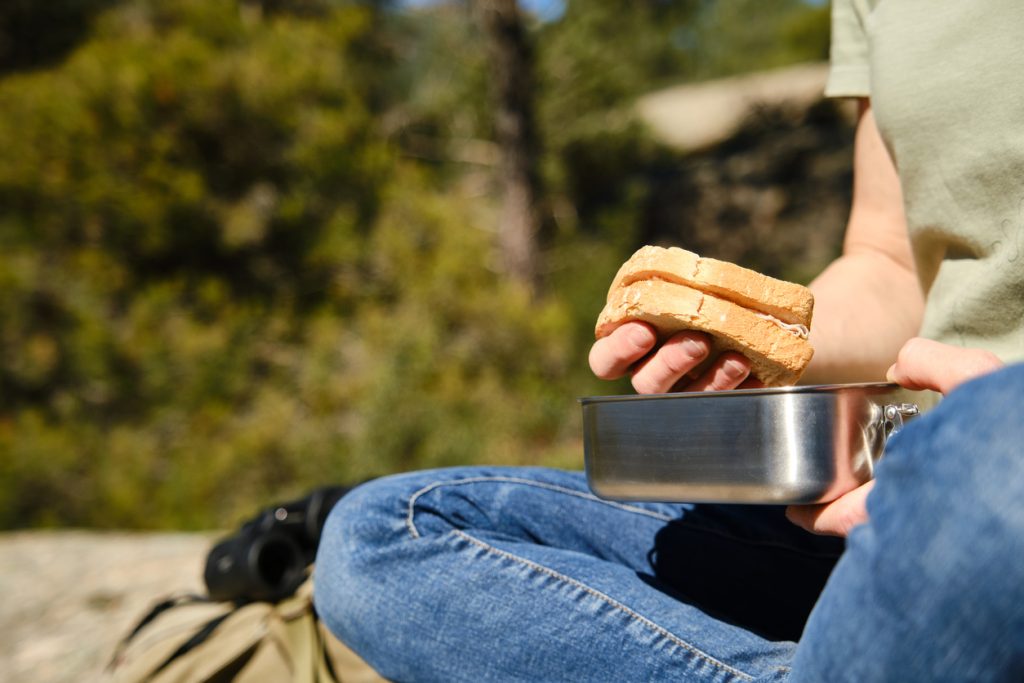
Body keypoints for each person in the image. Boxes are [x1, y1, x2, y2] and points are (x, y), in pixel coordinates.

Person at [314, 1, 1024, 680]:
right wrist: (759, 344)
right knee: (381, 533)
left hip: (994, 483)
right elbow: (891, 265)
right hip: (900, 493)